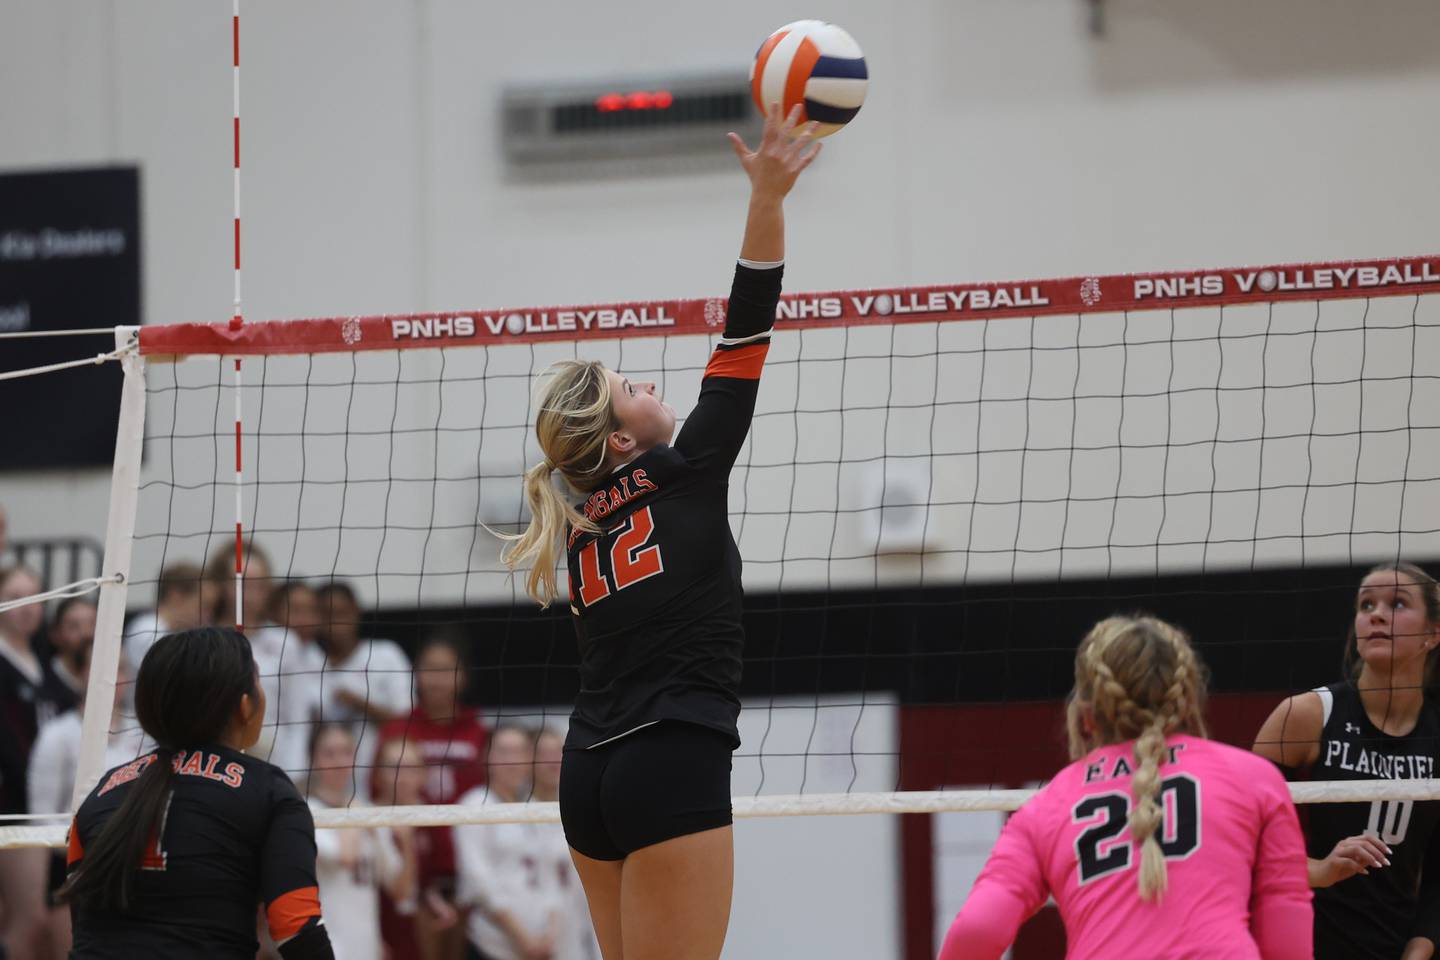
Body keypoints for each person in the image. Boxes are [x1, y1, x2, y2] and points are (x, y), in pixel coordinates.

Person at [499, 102, 819, 960]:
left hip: (590, 773)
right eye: (632, 384)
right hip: (671, 757)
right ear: (621, 440)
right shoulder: (687, 467)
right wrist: (769, 199)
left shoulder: (576, 523)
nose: (650, 382)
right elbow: (747, 324)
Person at [938, 615, 1312, 959]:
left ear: (1086, 716)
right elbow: (1285, 932)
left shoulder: (1046, 806)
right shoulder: (1255, 779)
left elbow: (978, 929)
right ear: (1186, 701)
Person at [60, 626, 334, 958]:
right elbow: (296, 931)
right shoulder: (270, 791)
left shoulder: (101, 793)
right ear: (244, 706)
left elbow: (82, 924)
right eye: (258, 681)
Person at [1253, 562, 1440, 960]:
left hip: (1399, 946)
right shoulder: (1306, 715)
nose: (1376, 614)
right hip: (1305, 943)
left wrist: (1418, 952)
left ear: (1432, 634)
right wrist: (1320, 870)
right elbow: (1242, 843)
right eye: (1366, 604)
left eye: (1398, 604)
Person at [376, 632, 487, 960]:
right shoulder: (396, 729)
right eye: (429, 669)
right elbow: (377, 796)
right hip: (412, 878)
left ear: (462, 676)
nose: (437, 679)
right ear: (416, 673)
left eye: (445, 670)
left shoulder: (478, 729)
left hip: (465, 875)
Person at [0, 566, 78, 957]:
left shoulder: (44, 660)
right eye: (16, 596)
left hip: (44, 810)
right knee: (27, 919)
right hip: (14, 809)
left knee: (46, 924)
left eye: (34, 597)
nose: (26, 607)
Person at [205, 538, 321, 777]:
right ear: (222, 586)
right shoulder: (203, 641)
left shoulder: (285, 642)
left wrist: (293, 775)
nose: (249, 594)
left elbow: (297, 719)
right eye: (241, 583)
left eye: (258, 585)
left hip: (272, 765)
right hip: (215, 765)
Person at [454, 726, 570, 960]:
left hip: (545, 946)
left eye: (519, 752)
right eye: (503, 751)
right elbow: (478, 879)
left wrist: (552, 933)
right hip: (493, 946)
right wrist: (522, 937)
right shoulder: (475, 804)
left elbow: (552, 877)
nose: (512, 760)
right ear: (487, 756)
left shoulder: (534, 808)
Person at [306, 723, 411, 960]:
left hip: (367, 947)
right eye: (329, 753)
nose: (339, 761)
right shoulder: (306, 811)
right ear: (313, 759)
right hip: (328, 947)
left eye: (346, 752)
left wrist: (407, 843)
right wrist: (356, 811)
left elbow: (400, 890)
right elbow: (346, 857)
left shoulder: (364, 812)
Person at [310, 581, 412, 798]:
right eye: (328, 614)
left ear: (356, 611)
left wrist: (359, 703)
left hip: (379, 786)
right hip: (322, 789)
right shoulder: (307, 661)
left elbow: (406, 720)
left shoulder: (386, 655)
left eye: (342, 613)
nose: (336, 622)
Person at [531, 728, 598, 960]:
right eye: (543, 753)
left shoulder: (587, 809)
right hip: (534, 928)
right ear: (530, 759)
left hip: (582, 924)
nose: (551, 760)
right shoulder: (512, 814)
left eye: (557, 751)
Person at [371, 736, 427, 960]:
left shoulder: (436, 815)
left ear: (423, 774)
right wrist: (406, 845)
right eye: (393, 768)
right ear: (377, 774)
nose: (402, 777)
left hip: (425, 931)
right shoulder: (366, 819)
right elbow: (400, 894)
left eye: (410, 768)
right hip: (384, 930)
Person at [123, 561, 207, 674]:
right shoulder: (147, 629)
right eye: (204, 605)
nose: (207, 615)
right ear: (176, 597)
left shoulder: (172, 632)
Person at [48, 596, 97, 699]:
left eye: (93, 624)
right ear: (55, 634)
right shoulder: (44, 682)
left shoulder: (114, 678)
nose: (87, 633)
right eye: (74, 626)